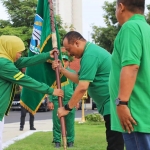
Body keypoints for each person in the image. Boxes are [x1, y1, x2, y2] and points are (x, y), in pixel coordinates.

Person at [52, 31, 124, 150]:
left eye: (69, 49)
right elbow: (80, 79)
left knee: (115, 144)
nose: (69, 54)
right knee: (116, 142)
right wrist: (62, 70)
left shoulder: (90, 55)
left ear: (77, 43)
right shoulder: (89, 53)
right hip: (110, 104)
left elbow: (82, 87)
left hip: (112, 103)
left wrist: (67, 108)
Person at [0, 35, 63, 150]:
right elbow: (26, 80)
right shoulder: (3, 64)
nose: (19, 55)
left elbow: (25, 61)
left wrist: (46, 55)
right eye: (18, 52)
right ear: (10, 49)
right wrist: (51, 90)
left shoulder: (6, 60)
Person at [109, 0, 150, 150]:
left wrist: (122, 103)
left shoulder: (130, 28)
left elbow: (131, 66)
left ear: (121, 7)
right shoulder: (146, 28)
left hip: (134, 115)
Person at [48, 54, 77, 148]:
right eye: (62, 61)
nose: (64, 62)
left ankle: (70, 141)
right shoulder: (53, 73)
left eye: (65, 60)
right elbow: (50, 88)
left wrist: (76, 101)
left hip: (70, 101)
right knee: (57, 122)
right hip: (57, 100)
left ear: (68, 62)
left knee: (70, 123)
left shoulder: (72, 73)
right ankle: (57, 141)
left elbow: (76, 88)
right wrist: (51, 100)